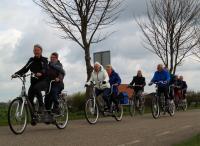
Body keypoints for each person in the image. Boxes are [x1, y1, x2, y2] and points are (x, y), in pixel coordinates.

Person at [12, 44, 48, 112]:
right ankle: (33, 115)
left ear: (41, 51)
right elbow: (25, 68)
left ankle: (41, 105)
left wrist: (41, 73)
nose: (36, 52)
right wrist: (16, 74)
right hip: (34, 82)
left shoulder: (44, 60)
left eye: (38, 50)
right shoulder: (31, 60)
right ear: (33, 51)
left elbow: (45, 69)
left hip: (43, 81)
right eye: (35, 50)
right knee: (30, 98)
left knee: (37, 88)